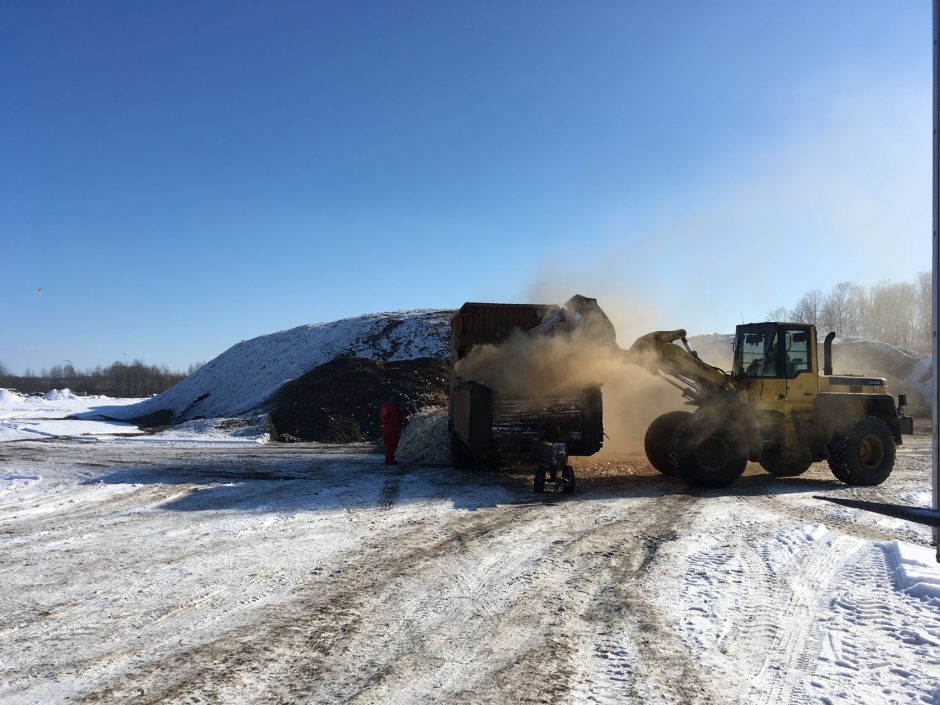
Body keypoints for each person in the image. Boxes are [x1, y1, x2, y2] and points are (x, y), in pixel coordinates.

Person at [379, 393, 405, 465]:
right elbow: (395, 420)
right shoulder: (395, 408)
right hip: (392, 429)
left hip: (386, 428)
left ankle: (389, 459)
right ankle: (389, 460)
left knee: (388, 445)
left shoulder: (384, 406)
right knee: (392, 445)